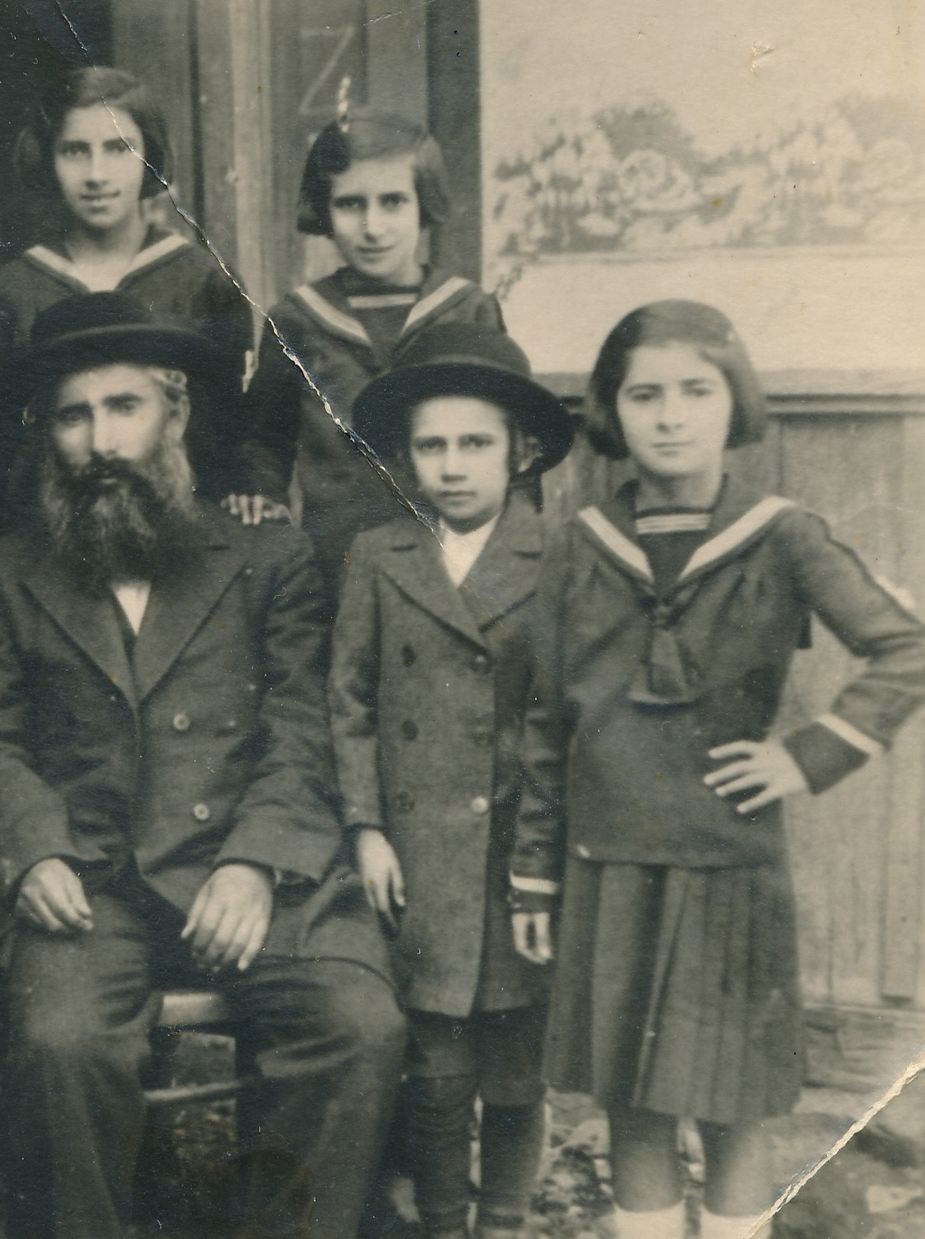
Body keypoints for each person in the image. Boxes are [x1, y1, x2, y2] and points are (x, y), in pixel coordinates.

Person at [0, 292, 404, 1239]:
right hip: (91, 880)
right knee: (60, 1043)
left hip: (246, 864)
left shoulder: (268, 555)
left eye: (124, 407)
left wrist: (257, 861)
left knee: (356, 1025)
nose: (101, 441)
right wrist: (33, 852)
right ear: (47, 435)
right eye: (73, 416)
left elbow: (303, 725)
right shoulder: (1, 577)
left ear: (175, 411)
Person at [508, 301, 925, 1239]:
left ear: (735, 400)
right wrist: (533, 870)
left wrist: (806, 755)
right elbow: (544, 717)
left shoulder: (783, 533)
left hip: (729, 866)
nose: (670, 416)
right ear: (612, 410)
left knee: (734, 1106)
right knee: (633, 1102)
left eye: (696, 391)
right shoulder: (578, 541)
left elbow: (907, 648)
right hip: (610, 864)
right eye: (644, 394)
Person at [331, 323, 575, 1239]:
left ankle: (503, 1220)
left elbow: (562, 720)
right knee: (434, 1067)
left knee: (515, 1066)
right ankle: (442, 1221)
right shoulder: (378, 554)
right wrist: (366, 827)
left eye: (476, 443)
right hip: (416, 849)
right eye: (431, 446)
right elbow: (349, 701)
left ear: (523, 450)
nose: (453, 465)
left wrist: (543, 860)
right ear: (406, 457)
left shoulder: (558, 558)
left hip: (518, 852)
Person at [0, 66, 262, 546]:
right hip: (49, 535)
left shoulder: (203, 279)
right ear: (47, 159)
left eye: (119, 148)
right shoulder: (10, 290)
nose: (96, 175)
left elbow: (234, 428)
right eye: (75, 151)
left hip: (182, 533)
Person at [234, 108, 505, 596]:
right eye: (351, 204)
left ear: (424, 204)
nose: (373, 226)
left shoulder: (468, 310)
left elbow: (510, 443)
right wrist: (261, 496)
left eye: (393, 202)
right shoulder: (297, 319)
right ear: (325, 210)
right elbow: (264, 443)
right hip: (335, 565)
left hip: (454, 562)